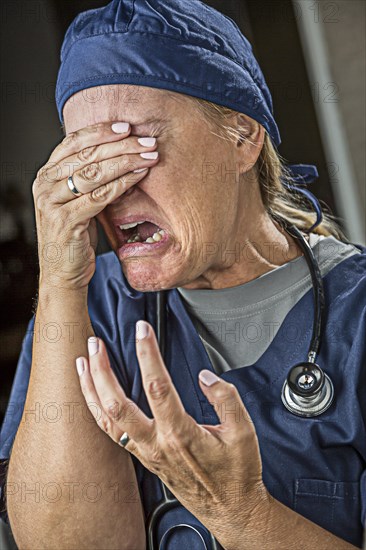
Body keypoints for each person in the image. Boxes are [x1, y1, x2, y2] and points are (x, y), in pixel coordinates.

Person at [0, 0, 365, 548]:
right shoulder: (89, 302)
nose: (109, 188)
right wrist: (57, 281)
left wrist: (242, 515)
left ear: (242, 136)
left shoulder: (354, 315)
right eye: (88, 159)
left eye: (136, 148)